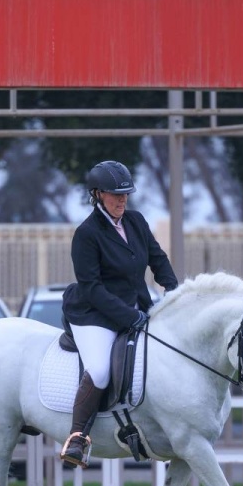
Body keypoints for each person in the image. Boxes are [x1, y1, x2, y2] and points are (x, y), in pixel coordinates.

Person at [60, 160, 179, 467]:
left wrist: (175, 293)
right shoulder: (86, 234)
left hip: (135, 305)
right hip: (93, 312)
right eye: (115, 194)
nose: (122, 200)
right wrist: (129, 316)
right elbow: (92, 288)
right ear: (98, 194)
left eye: (125, 194)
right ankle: (77, 437)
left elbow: (158, 260)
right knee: (99, 369)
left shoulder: (136, 221)